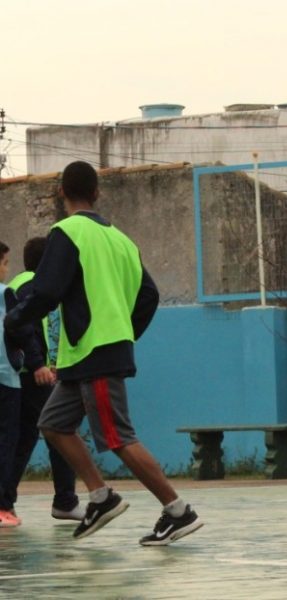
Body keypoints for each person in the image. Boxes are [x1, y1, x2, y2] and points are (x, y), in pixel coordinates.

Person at [4, 161, 203, 545]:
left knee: (118, 437)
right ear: (97, 193)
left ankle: (179, 511)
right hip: (86, 355)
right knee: (53, 424)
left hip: (96, 352)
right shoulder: (122, 240)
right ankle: (101, 497)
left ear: (61, 192)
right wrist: (125, 333)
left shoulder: (67, 231)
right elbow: (149, 295)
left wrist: (13, 320)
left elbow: (46, 291)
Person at [7, 237, 84, 522]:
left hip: (33, 373)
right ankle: (63, 500)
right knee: (55, 431)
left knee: (29, 436)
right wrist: (39, 364)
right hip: (34, 375)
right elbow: (25, 328)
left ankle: (8, 499)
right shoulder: (32, 287)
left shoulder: (22, 284)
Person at [0, 241, 49, 527]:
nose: (7, 269)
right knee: (10, 439)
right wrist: (37, 362)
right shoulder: (8, 294)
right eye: (5, 263)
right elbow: (22, 328)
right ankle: (3, 504)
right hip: (8, 377)